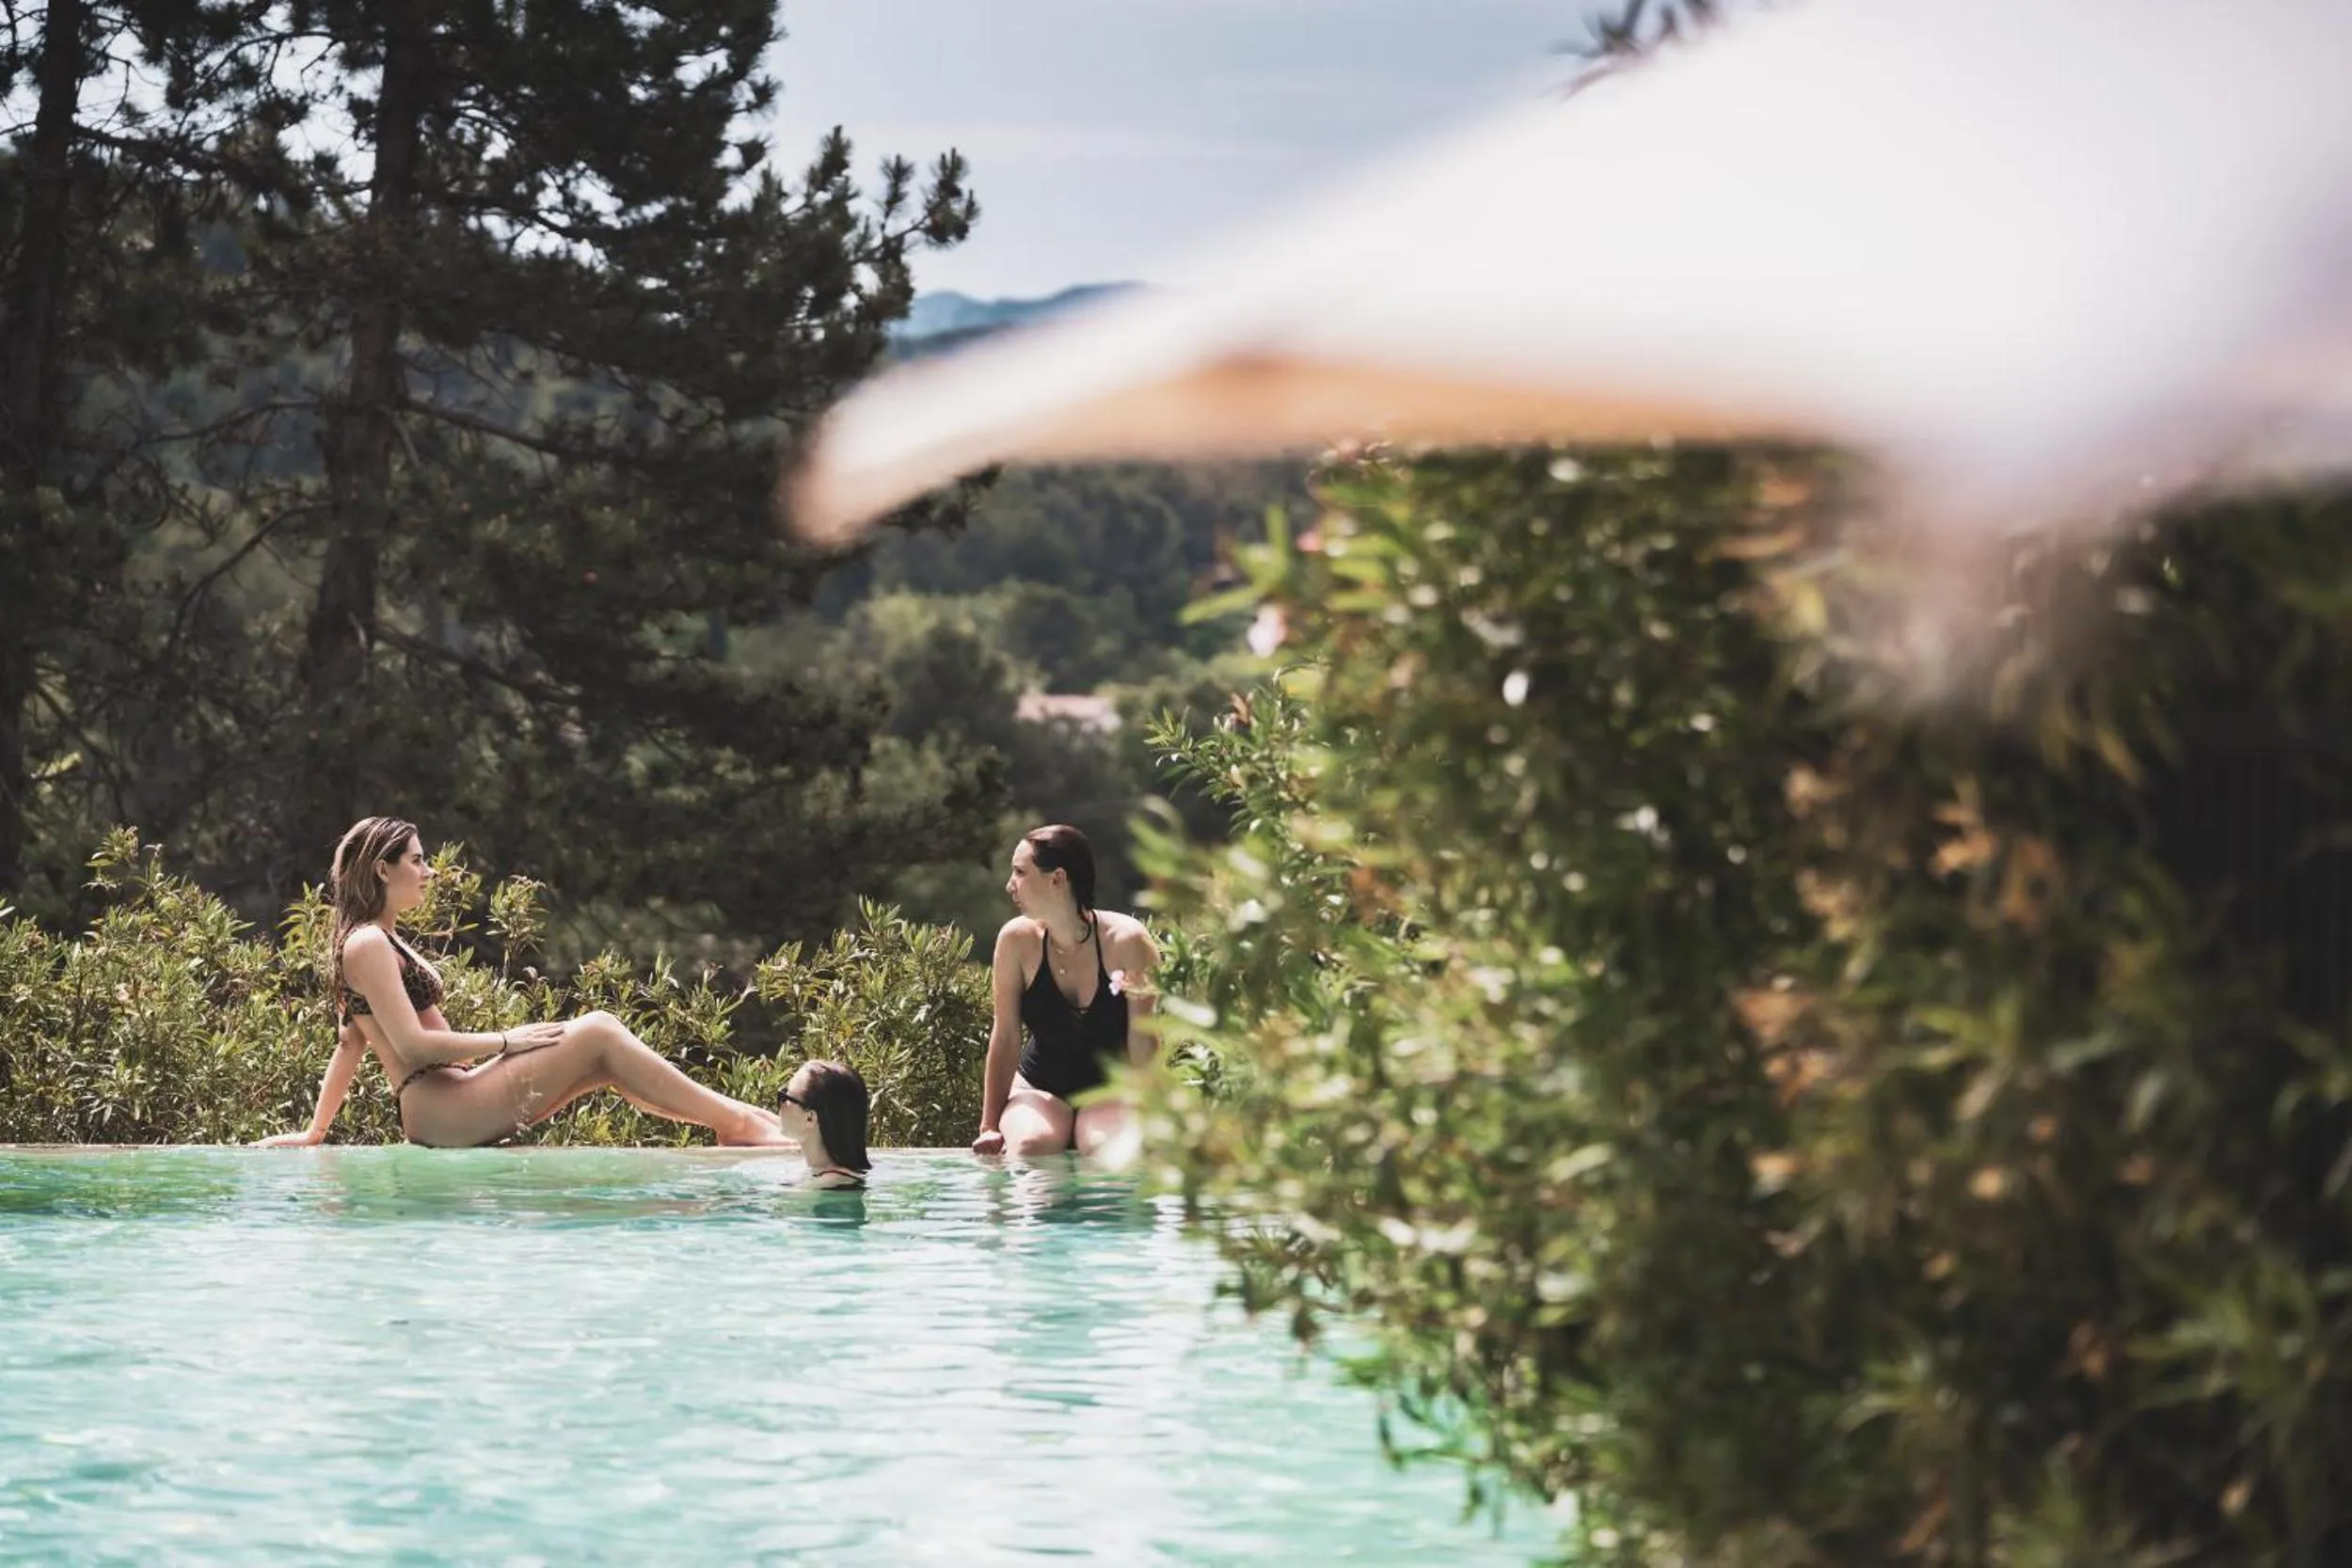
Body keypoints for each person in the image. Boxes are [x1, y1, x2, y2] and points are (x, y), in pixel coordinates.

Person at [258, 816, 790, 1150]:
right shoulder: (368, 944)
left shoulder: (378, 940)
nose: (429, 871)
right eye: (418, 860)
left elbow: (349, 1042)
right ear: (381, 869)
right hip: (442, 1110)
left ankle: (736, 1123)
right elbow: (412, 1046)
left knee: (600, 1058)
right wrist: (512, 1040)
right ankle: (739, 1122)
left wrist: (316, 1132)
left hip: (449, 1103)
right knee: (598, 1030)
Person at [972, 824, 1159, 1159]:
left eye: (1019, 872)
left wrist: (1156, 1115)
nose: (1009, 885)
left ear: (1057, 879)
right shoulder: (1016, 941)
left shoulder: (1128, 942)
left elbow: (1143, 1039)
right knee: (1031, 1146)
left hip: (1110, 1091)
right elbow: (1006, 1036)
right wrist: (989, 1127)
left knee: (1109, 1151)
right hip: (1039, 1088)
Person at [777, 1059, 873, 1188]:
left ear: (810, 1118)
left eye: (785, 1097)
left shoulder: (826, 1184)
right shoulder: (823, 1176)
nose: (780, 1105)